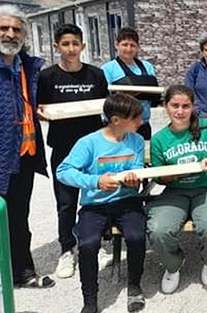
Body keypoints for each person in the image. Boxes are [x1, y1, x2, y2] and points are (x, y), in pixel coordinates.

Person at [0, 5, 54, 288]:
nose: (10, 33)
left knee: (19, 218)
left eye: (16, 29)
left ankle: (23, 273)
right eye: (4, 28)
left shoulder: (27, 64)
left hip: (23, 156)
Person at [56, 94, 146, 313]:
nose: (141, 122)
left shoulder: (136, 140)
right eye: (135, 118)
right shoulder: (88, 143)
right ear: (116, 120)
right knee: (87, 244)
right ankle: (90, 300)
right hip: (94, 206)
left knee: (136, 236)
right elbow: (63, 171)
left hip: (127, 201)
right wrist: (95, 181)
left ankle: (134, 286)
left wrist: (134, 179)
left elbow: (138, 171)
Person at [147, 85, 207, 293]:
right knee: (158, 229)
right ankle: (173, 264)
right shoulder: (159, 139)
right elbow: (160, 177)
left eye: (185, 106)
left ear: (193, 107)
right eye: (174, 105)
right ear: (165, 107)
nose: (180, 111)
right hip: (175, 190)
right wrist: (173, 174)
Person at [38, 23, 109, 279]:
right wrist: (43, 113)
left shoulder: (96, 75)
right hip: (63, 149)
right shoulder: (47, 77)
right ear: (57, 47)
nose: (71, 49)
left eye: (75, 44)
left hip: (93, 148)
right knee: (66, 203)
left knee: (95, 199)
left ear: (83, 46)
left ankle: (96, 245)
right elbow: (39, 108)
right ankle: (66, 250)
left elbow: (104, 108)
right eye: (65, 44)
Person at [101, 27, 157, 139]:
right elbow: (104, 97)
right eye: (125, 44)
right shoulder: (108, 69)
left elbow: (154, 94)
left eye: (132, 45)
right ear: (117, 45)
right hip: (118, 125)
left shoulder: (147, 67)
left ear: (138, 47)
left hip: (142, 123)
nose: (128, 49)